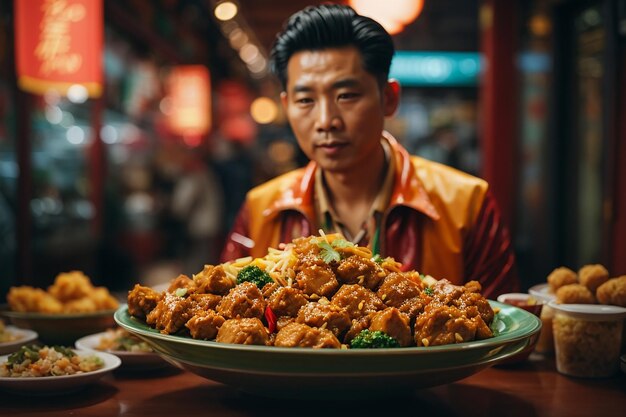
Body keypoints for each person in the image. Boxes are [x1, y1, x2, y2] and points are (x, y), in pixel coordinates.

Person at [219, 4, 519, 298]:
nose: (326, 121)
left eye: (346, 95)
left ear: (388, 98)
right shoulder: (261, 210)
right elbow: (226, 322)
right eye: (306, 100)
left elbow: (501, 333)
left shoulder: (466, 205)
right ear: (287, 107)